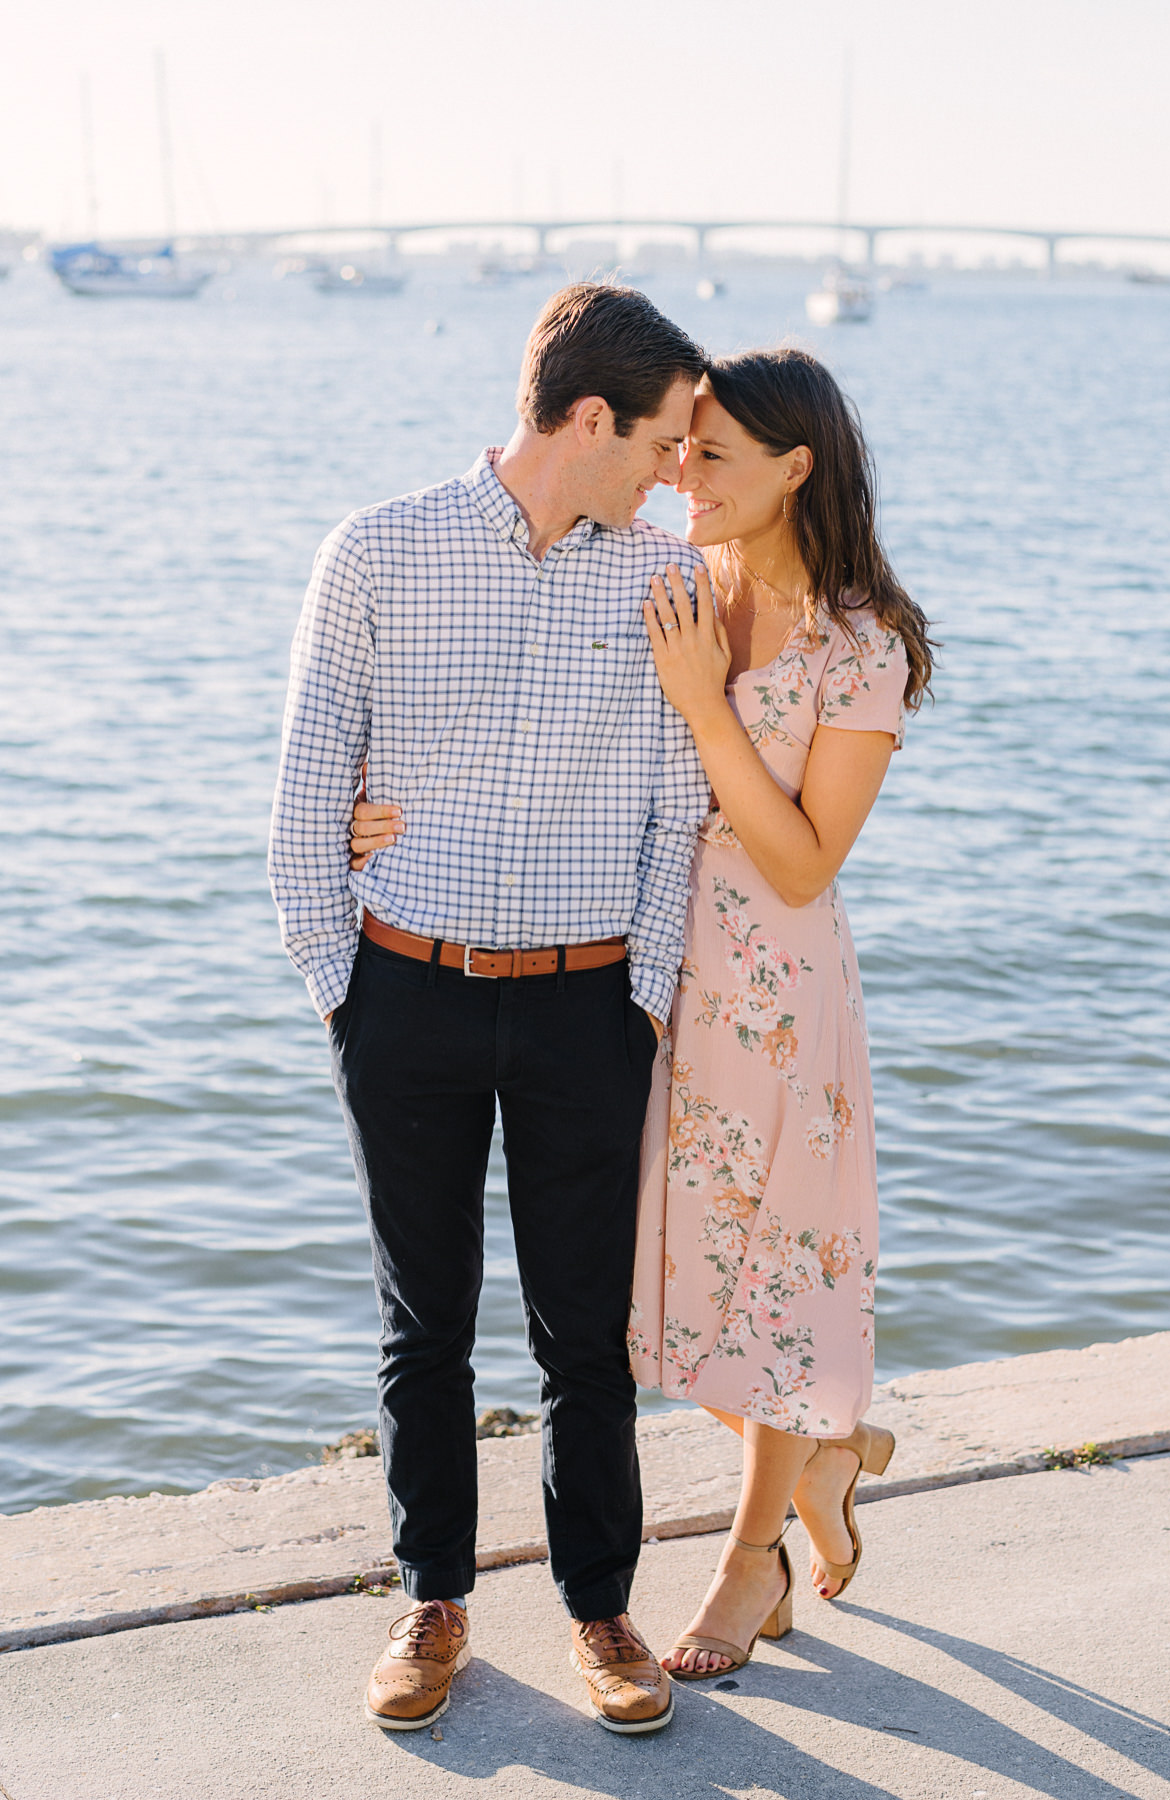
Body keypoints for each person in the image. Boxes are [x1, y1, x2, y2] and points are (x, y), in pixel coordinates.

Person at [352, 347, 936, 1686]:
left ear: (797, 468)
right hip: (639, 978)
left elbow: (801, 864)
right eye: (678, 452)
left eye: (713, 457)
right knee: (665, 1281)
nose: (682, 477)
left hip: (775, 999)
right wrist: (375, 813)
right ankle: (827, 1455)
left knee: (774, 1264)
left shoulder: (861, 646)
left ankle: (752, 1563)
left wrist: (697, 707)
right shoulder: (664, 582)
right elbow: (520, 719)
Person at [268, 282, 710, 1736]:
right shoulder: (378, 552)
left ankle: (600, 1610)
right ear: (590, 420)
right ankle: (434, 1596)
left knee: (586, 1337)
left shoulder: (661, 582)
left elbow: (674, 816)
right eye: (657, 445)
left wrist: (641, 1003)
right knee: (425, 1325)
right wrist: (347, 995)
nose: (669, 476)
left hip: (589, 1008)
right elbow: (303, 797)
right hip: (407, 996)